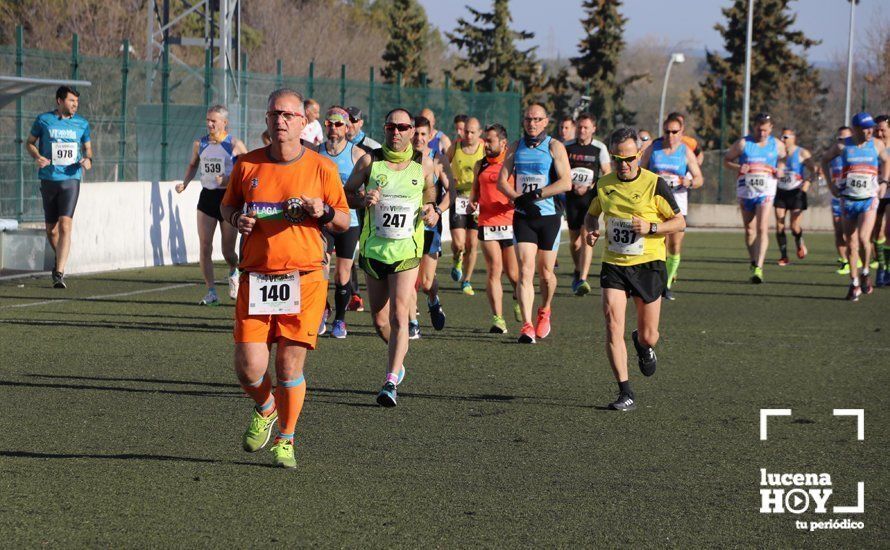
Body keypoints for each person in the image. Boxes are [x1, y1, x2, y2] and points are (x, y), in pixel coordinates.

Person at [220, 88, 350, 468]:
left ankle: (286, 440)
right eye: (275, 114)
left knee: (288, 367)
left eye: (289, 115)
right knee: (248, 368)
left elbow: (342, 221)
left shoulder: (322, 168)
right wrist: (235, 219)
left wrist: (323, 210)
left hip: (305, 278)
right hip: (257, 278)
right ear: (266, 119)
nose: (281, 120)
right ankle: (266, 408)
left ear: (303, 122)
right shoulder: (247, 165)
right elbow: (228, 204)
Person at [584, 127, 685, 411]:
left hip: (649, 265)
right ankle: (625, 391)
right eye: (618, 159)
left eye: (629, 159)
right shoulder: (603, 184)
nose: (624, 165)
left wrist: (652, 226)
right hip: (614, 264)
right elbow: (591, 216)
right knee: (612, 323)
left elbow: (679, 222)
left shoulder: (655, 184)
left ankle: (642, 345)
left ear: (639, 155)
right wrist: (591, 231)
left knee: (649, 335)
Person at [344, 108, 438, 407]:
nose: (395, 132)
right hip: (374, 251)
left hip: (407, 252)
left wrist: (431, 207)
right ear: (384, 130)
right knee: (380, 320)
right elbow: (345, 193)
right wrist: (362, 199)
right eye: (390, 127)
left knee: (400, 315)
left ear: (412, 131)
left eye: (402, 127)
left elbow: (431, 189)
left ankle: (390, 379)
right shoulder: (370, 160)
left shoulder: (422, 164)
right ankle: (398, 360)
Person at [498, 103, 572, 343]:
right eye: (528, 119)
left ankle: (545, 309)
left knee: (546, 273)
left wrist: (536, 195)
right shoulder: (515, 147)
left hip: (549, 217)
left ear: (546, 121)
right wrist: (519, 199)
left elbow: (565, 183)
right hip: (524, 216)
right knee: (526, 269)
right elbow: (502, 182)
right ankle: (527, 325)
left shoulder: (554, 146)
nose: (532, 123)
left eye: (537, 119)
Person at [176, 105, 247, 305]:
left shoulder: (234, 144)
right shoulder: (200, 143)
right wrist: (185, 183)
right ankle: (211, 291)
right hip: (207, 198)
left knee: (227, 251)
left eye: (214, 121)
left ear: (225, 123)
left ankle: (234, 270)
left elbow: (248, 170)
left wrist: (229, 179)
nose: (209, 124)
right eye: (208, 120)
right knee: (205, 246)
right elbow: (193, 164)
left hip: (229, 200)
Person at [26, 86, 92, 289]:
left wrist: (88, 160)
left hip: (71, 179)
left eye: (77, 102)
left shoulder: (82, 124)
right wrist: (37, 156)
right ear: (59, 101)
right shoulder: (43, 120)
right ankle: (60, 259)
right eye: (71, 101)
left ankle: (59, 273)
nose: (75, 105)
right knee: (51, 230)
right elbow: (29, 143)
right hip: (49, 178)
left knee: (65, 225)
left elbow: (88, 149)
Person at [821, 112, 889, 300]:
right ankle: (854, 283)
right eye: (865, 128)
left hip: (868, 199)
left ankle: (866, 271)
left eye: (871, 128)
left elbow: (886, 160)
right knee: (850, 243)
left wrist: (883, 182)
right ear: (855, 129)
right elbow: (824, 160)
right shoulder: (843, 145)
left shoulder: (876, 144)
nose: (870, 131)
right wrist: (830, 184)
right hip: (848, 199)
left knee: (863, 238)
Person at [640, 113, 703, 300]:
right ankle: (663, 284)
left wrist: (688, 181)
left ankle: (666, 280)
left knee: (674, 245)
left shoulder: (685, 151)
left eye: (675, 132)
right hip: (656, 202)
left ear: (681, 132)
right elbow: (641, 170)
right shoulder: (654, 148)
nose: (670, 135)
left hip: (678, 203)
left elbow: (699, 179)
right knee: (660, 243)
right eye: (667, 131)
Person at [317, 106, 365, 338]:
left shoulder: (356, 155)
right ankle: (322, 309)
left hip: (349, 221)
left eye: (338, 124)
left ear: (347, 128)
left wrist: (363, 198)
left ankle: (340, 320)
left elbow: (363, 190)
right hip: (323, 222)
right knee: (320, 269)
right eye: (329, 124)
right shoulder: (316, 153)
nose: (333, 128)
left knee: (342, 274)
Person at [724, 113, 786, 284]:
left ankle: (759, 266)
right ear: (754, 127)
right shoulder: (744, 143)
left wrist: (780, 168)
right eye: (759, 130)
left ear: (771, 128)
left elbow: (784, 158)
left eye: (765, 130)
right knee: (750, 230)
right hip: (746, 190)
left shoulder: (777, 144)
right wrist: (738, 166)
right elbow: (727, 160)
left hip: (766, 190)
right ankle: (753, 261)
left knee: (762, 228)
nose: (762, 133)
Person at [407, 115, 452, 338]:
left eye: (423, 134)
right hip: (405, 227)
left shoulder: (437, 159)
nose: (418, 138)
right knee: (408, 278)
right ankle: (412, 321)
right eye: (415, 133)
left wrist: (438, 211)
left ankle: (433, 300)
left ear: (430, 135)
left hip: (429, 227)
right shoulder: (401, 159)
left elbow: (451, 192)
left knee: (425, 282)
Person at [472, 123, 520, 333]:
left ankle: (519, 297)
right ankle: (498, 318)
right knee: (494, 270)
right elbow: (475, 192)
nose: (486, 145)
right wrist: (473, 202)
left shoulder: (513, 164)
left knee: (514, 274)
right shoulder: (480, 165)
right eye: (485, 141)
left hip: (510, 223)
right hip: (487, 223)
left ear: (503, 143)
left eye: (490, 141)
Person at [565, 113, 611, 296]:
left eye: (586, 127)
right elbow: (559, 168)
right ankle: (578, 270)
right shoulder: (567, 147)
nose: (582, 131)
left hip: (590, 199)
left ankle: (583, 278)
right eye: (580, 127)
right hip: (571, 198)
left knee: (586, 236)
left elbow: (606, 172)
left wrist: (591, 186)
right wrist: (571, 184)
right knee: (574, 242)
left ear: (593, 129)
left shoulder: (599, 148)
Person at [447, 117, 485, 295]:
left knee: (472, 244)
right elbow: (442, 165)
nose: (468, 135)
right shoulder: (455, 146)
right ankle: (456, 259)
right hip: (459, 198)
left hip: (477, 200)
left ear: (479, 133)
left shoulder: (484, 148)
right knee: (459, 243)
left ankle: (467, 280)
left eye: (472, 132)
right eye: (466, 131)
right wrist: (449, 180)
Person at [774, 128, 815, 266]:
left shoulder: (802, 153)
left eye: (785, 137)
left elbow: (814, 170)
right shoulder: (777, 154)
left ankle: (799, 242)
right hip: (780, 191)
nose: (782, 140)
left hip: (796, 192)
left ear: (793, 138)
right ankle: (784, 256)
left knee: (794, 226)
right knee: (779, 224)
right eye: (781, 137)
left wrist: (808, 182)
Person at [829, 127, 854, 275]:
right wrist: (831, 185)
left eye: (846, 139)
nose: (842, 142)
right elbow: (826, 168)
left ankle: (857, 258)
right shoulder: (833, 156)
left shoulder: (856, 154)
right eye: (839, 139)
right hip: (838, 198)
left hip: (853, 197)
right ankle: (844, 261)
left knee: (853, 234)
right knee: (839, 231)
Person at [872, 115, 890, 286]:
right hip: (874, 193)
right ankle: (881, 267)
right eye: (877, 129)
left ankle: (887, 270)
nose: (879, 133)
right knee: (877, 232)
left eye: (883, 129)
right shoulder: (872, 146)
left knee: (889, 230)